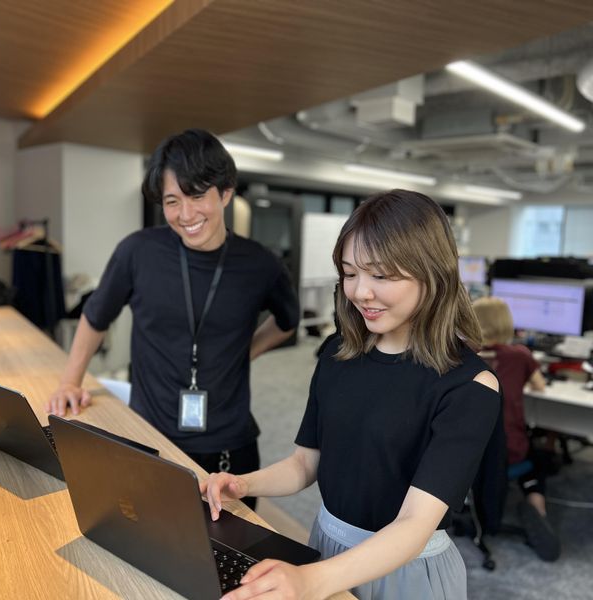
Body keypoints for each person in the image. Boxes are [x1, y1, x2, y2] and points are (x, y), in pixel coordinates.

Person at [201, 189, 501, 600]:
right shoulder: (336, 353)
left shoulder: (468, 386)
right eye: (350, 273)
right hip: (326, 549)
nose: (360, 292)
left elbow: (414, 524)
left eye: (381, 276)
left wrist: (311, 580)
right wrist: (242, 483)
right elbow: (305, 463)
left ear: (432, 273)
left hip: (405, 569)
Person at [46, 129, 299, 508]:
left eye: (197, 196)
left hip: (228, 451)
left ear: (225, 193)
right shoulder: (137, 252)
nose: (186, 214)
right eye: (172, 201)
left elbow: (287, 321)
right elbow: (96, 317)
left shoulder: (261, 265)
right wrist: (70, 381)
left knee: (225, 545)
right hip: (148, 437)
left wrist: (243, 354)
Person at [472, 296, 561, 561]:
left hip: (466, 454)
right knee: (540, 459)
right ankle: (536, 506)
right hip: (508, 450)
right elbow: (539, 387)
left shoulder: (463, 355)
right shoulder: (519, 355)